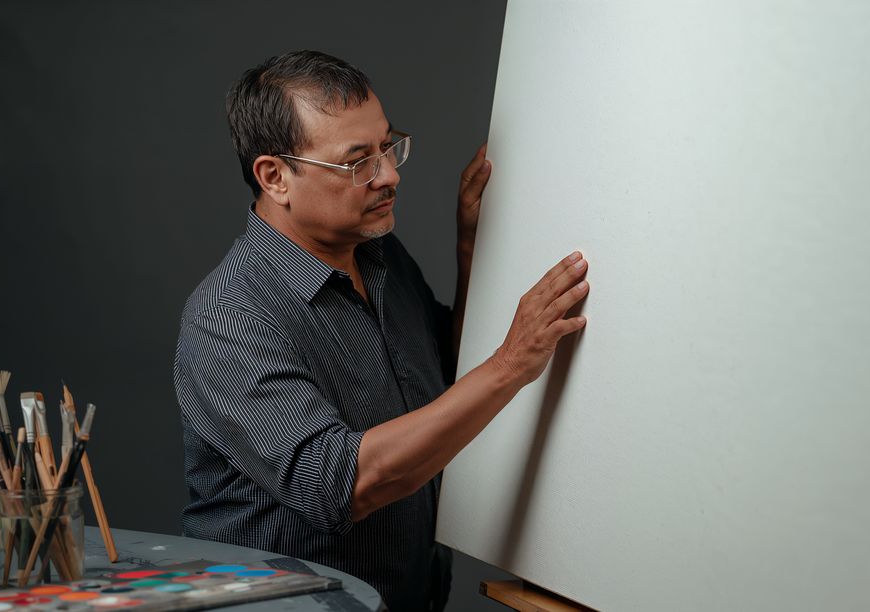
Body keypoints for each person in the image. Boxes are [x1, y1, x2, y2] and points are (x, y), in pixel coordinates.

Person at [173, 50, 589, 611]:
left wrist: (475, 249)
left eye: (389, 146)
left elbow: (449, 373)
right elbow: (345, 483)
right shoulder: (227, 318)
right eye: (357, 162)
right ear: (275, 177)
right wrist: (513, 361)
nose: (389, 175)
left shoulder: (379, 255)